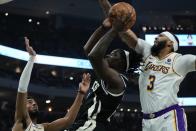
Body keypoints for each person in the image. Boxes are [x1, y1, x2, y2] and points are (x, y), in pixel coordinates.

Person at [99, 0, 196, 131]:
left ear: (170, 44)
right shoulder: (147, 51)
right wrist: (107, 6)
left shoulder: (180, 60)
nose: (156, 37)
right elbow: (124, 33)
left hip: (169, 116)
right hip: (147, 120)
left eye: (161, 36)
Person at [66, 8, 142, 130]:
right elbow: (88, 50)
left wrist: (114, 29)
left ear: (121, 64)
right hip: (85, 124)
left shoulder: (118, 80)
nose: (108, 55)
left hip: (93, 125)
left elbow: (94, 55)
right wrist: (103, 28)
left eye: (114, 55)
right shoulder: (103, 73)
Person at [12, 37, 91, 131]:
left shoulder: (44, 128)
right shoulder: (21, 121)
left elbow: (68, 121)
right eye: (29, 102)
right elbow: (22, 88)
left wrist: (81, 93)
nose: (34, 103)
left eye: (34, 102)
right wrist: (31, 59)